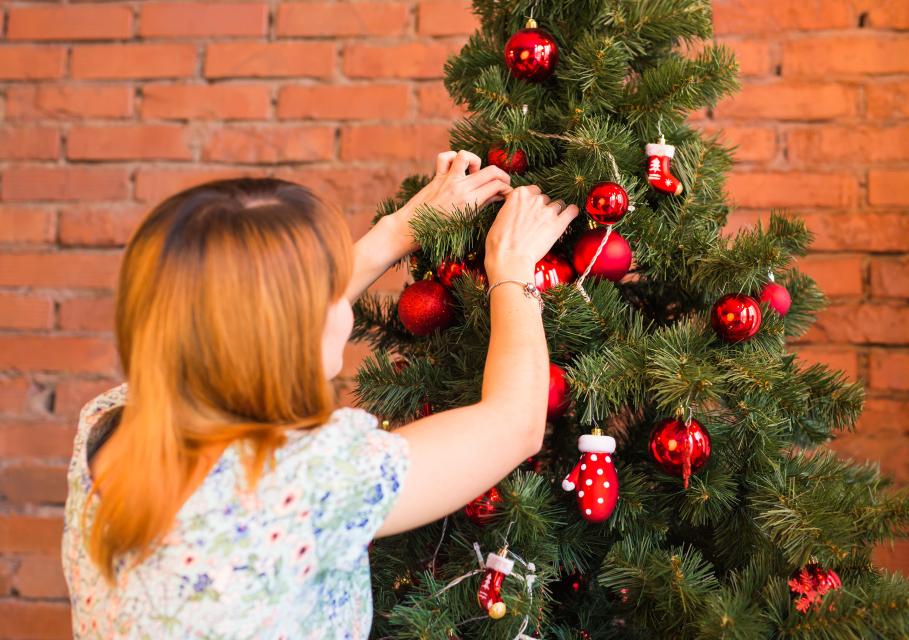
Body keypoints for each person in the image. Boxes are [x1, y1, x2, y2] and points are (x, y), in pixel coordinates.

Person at [61, 149, 580, 638]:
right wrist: (512, 270)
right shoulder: (310, 474)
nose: (342, 306)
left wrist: (403, 228)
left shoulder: (109, 421)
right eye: (325, 291)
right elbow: (515, 424)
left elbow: (248, 309)